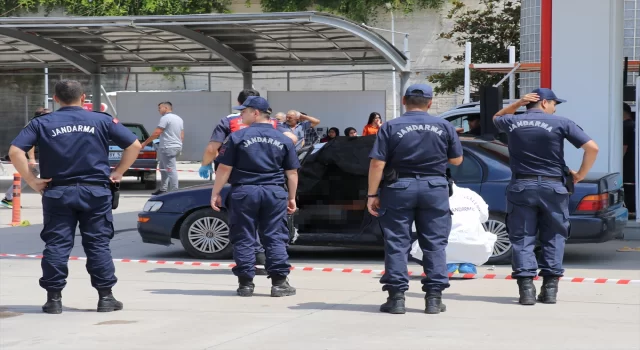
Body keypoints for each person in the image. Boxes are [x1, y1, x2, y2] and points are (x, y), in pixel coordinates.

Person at [8, 80, 141, 314]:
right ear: (84, 97)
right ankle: (106, 297)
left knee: (57, 244)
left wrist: (32, 180)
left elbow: (15, 151)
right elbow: (134, 145)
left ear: (56, 99)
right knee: (98, 244)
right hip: (95, 192)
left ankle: (53, 299)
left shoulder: (42, 122)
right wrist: (118, 172)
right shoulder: (102, 119)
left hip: (58, 191)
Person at [493, 88, 598, 306]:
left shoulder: (513, 122)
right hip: (553, 187)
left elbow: (497, 117)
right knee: (554, 236)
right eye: (553, 104)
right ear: (543, 103)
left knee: (523, 238)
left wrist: (517, 104)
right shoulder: (561, 123)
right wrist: (579, 175)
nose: (554, 108)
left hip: (522, 185)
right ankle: (550, 290)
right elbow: (592, 148)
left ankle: (526, 291)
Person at [367, 83, 463, 315]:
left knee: (397, 243)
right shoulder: (444, 126)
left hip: (399, 188)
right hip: (434, 188)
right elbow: (457, 160)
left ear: (403, 101)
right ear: (430, 103)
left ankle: (397, 298)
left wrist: (372, 194)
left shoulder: (390, 126)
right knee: (434, 244)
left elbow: (378, 163)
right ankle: (433, 298)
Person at [199, 89, 298, 275]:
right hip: (274, 192)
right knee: (275, 237)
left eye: (243, 111)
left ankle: (245, 283)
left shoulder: (236, 136)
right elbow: (292, 172)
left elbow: (223, 167)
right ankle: (279, 282)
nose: (240, 115)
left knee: (244, 237)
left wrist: (215, 192)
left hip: (244, 191)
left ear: (255, 113)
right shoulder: (282, 136)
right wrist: (292, 197)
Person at [410, 181, 497, 274]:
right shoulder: (469, 193)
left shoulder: (427, 196)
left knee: (418, 245)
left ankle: (447, 264)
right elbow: (484, 217)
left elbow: (414, 227)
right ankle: (468, 264)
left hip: (442, 247)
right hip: (477, 247)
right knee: (486, 236)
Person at [1, 107, 50, 208]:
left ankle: (9, 198)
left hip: (41, 158)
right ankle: (9, 198)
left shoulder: (41, 124)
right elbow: (30, 145)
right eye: (48, 114)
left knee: (27, 178)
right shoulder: (36, 126)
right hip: (37, 159)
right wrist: (31, 158)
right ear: (41, 115)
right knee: (45, 179)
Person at [140, 102, 184, 195]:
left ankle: (175, 192)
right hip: (175, 147)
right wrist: (179, 144)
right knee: (163, 168)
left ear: (166, 108)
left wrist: (145, 143)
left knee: (171, 169)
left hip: (168, 147)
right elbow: (182, 134)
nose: (158, 110)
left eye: (160, 108)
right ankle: (163, 189)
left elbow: (157, 133)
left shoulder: (165, 118)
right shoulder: (178, 119)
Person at [623, 102, 636, 213]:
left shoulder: (625, 126)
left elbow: (623, 147)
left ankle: (630, 208)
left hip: (627, 163)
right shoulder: (634, 125)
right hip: (634, 162)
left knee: (627, 186)